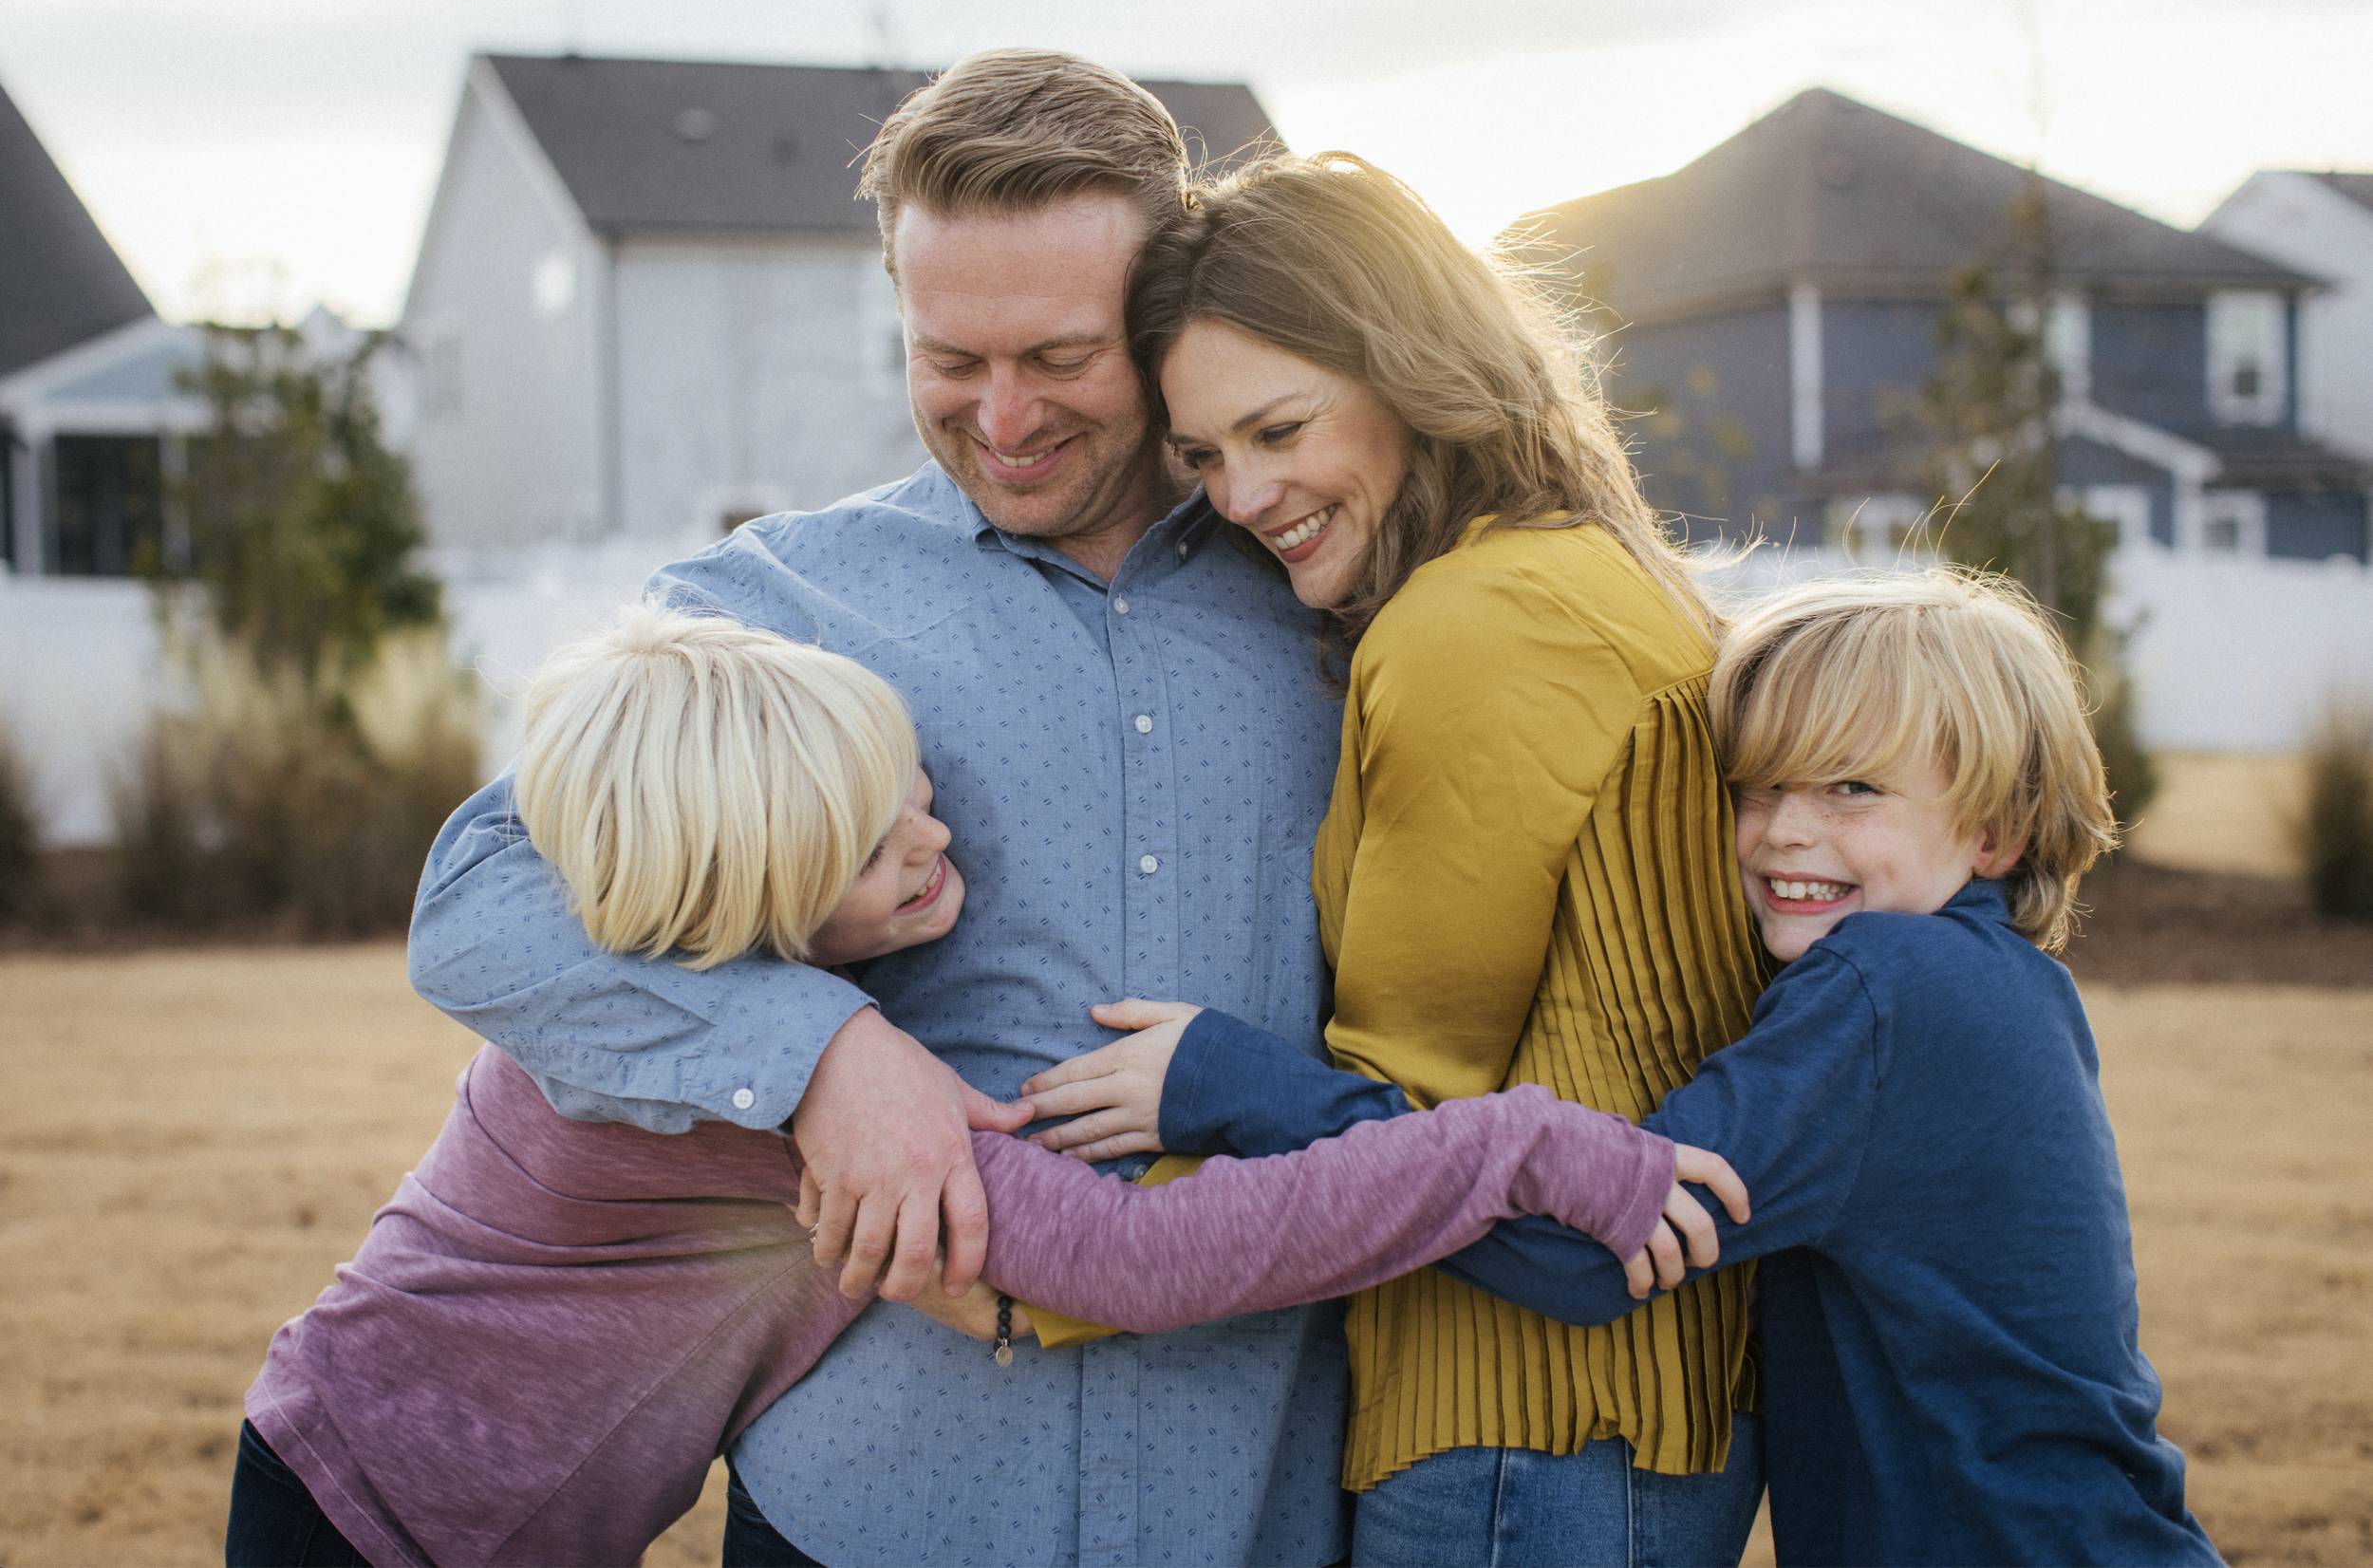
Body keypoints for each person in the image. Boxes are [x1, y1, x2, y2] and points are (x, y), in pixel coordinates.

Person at [408, 50, 1413, 1567]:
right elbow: (480, 905)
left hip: (1256, 1491)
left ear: (1161, 324)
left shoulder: (1336, 595)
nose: (1001, 418)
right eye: (949, 356)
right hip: (871, 1497)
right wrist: (822, 1054)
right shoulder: (775, 601)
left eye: (1061, 358)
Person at [233, 604, 1741, 1568]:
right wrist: (1514, 1146)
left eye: (916, 791)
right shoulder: (727, 1096)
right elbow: (1141, 1260)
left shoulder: (718, 995)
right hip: (380, 1506)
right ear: (744, 911)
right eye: (875, 853)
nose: (932, 842)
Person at [1088, 570, 2226, 1566]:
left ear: (1996, 834)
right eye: (1758, 786)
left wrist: (1241, 1087)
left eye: (1852, 789)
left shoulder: (1885, 984)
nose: (1783, 832)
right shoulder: (2005, 984)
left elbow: (1597, 1247)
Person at [1023, 153, 1770, 1564]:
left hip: (1524, 1430)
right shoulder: (1572, 576)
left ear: (1411, 371)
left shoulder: (1476, 627)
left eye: (1281, 427)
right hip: (1617, 1426)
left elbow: (1410, 1135)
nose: (1241, 496)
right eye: (1202, 456)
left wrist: (1055, 1273)